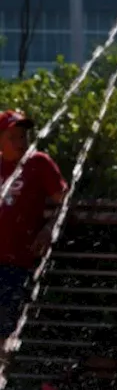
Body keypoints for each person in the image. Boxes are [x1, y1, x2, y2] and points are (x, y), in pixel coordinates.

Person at [0, 110, 67, 354]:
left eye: (23, 136)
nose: (21, 142)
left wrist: (49, 228)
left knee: (3, 333)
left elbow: (64, 201)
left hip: (14, 263)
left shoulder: (38, 163)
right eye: (13, 137)